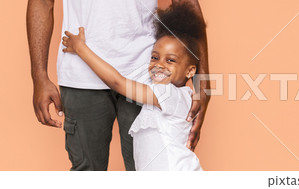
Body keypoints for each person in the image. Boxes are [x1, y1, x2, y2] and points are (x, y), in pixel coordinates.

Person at [26, 0, 210, 171]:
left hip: (140, 72)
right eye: (158, 58)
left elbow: (118, 82)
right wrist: (39, 75)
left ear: (190, 70)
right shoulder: (168, 93)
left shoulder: (166, 94)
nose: (161, 64)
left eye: (170, 60)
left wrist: (80, 48)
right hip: (81, 76)